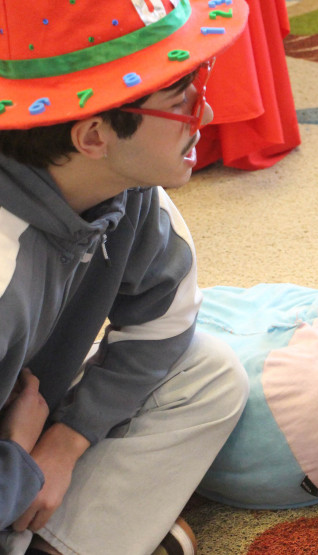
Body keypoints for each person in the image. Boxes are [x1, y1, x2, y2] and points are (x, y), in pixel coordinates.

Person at [0, 1, 251, 553]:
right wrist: (18, 462)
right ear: (93, 137)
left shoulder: (127, 190)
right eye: (177, 99)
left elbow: (166, 319)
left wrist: (65, 443)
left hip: (22, 431)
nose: (203, 116)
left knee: (207, 371)